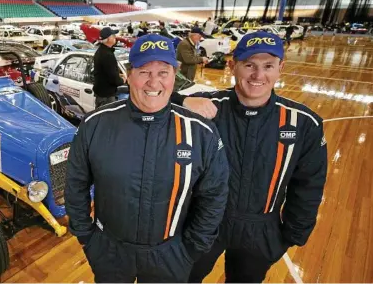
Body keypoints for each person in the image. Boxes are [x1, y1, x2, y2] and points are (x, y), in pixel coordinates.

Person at [65, 34, 229, 283]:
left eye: (163, 72)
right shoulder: (95, 124)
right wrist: (88, 238)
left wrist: (191, 249)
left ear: (174, 76)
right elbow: (75, 185)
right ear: (129, 76)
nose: (154, 82)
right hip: (109, 252)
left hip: (171, 254)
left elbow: (214, 196)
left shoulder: (201, 132)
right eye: (144, 72)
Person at [170, 31, 328, 283]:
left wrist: (291, 234)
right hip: (204, 223)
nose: (258, 75)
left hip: (261, 229)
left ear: (281, 68)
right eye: (249, 65)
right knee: (183, 278)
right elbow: (146, 99)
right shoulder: (208, 108)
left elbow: (309, 184)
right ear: (233, 66)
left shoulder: (303, 123)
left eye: (268, 66)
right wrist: (182, 100)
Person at [91, 27, 125, 108]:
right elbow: (114, 79)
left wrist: (118, 75)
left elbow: (106, 72)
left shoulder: (101, 51)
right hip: (106, 96)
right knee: (106, 118)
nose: (115, 37)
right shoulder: (107, 55)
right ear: (108, 39)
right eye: (113, 36)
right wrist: (123, 79)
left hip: (101, 93)